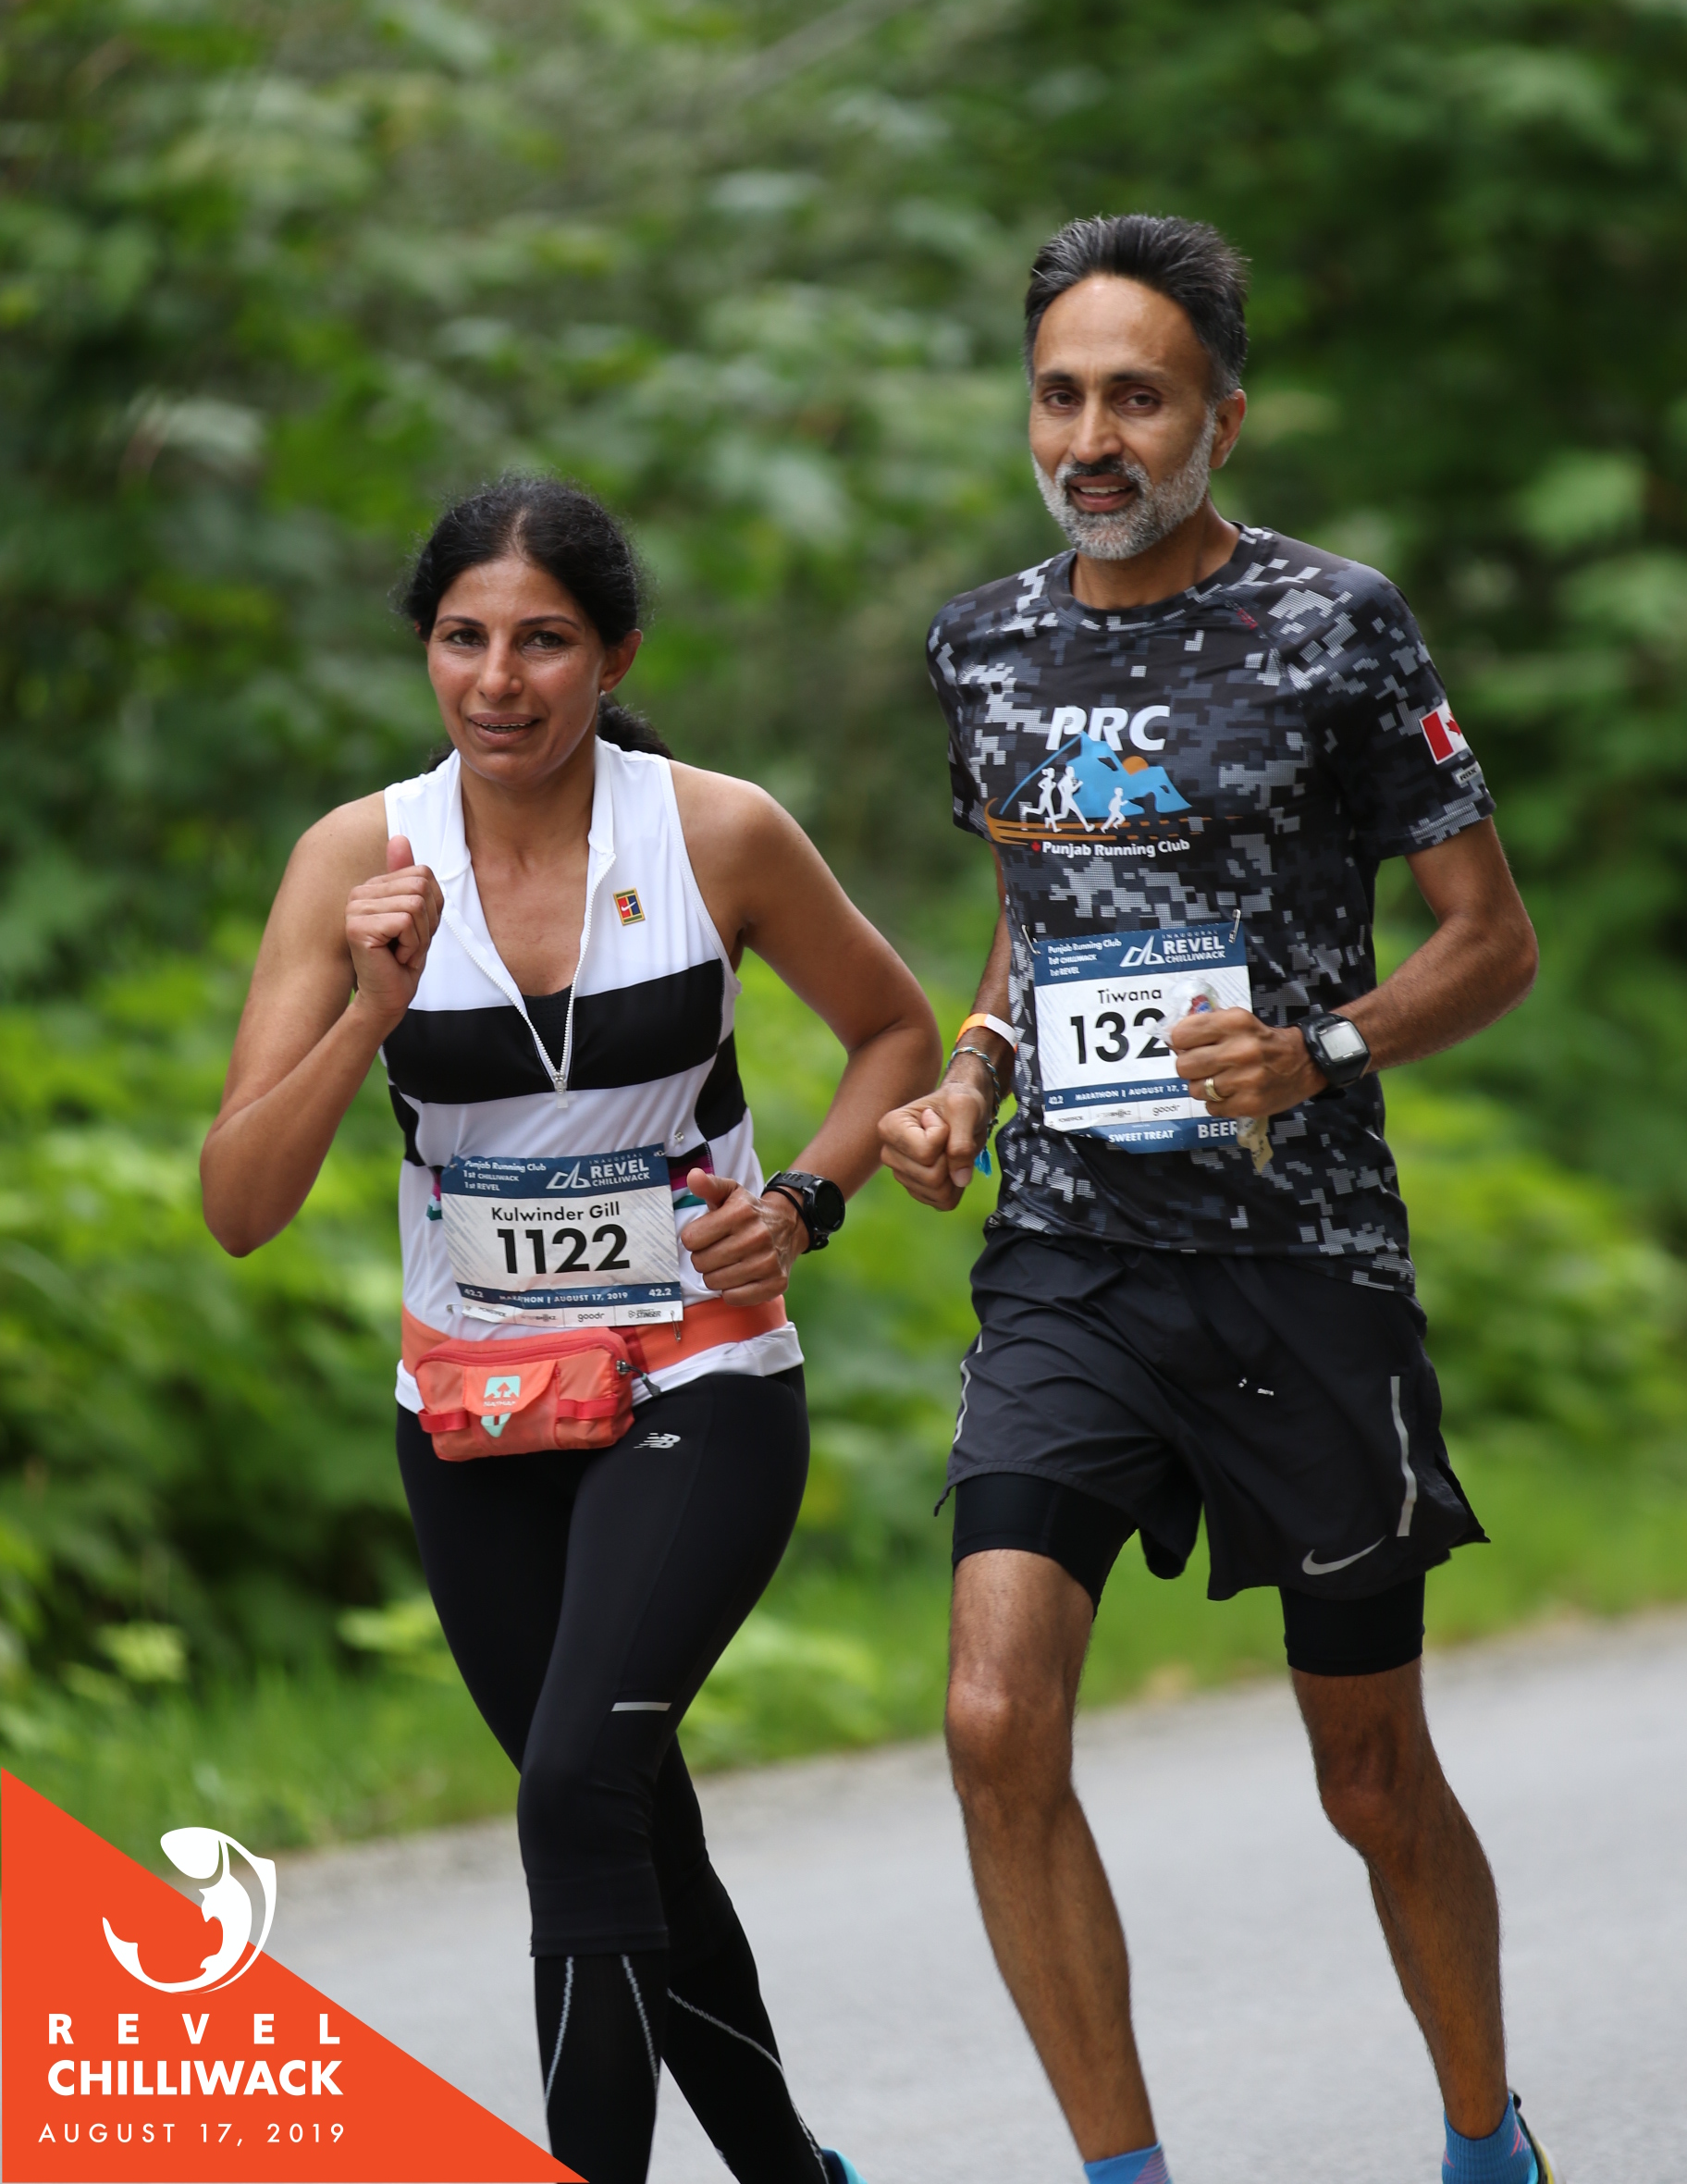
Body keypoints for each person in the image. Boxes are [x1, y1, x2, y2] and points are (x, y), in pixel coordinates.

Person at [880, 216, 1560, 2184]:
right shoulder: (982, 642)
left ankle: (1486, 2142)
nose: (1093, 439)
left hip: (1299, 1266)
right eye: (1061, 396)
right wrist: (972, 1072)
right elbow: (1031, 907)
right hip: (1070, 1260)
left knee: (1371, 1776)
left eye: (1139, 398)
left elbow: (1491, 941)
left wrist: (1320, 1049)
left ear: (1222, 420)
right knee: (994, 1722)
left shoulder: (1339, 626)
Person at [203, 475, 938, 2184]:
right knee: (630, 1828)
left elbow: (894, 1031)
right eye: (463, 639)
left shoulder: (716, 833)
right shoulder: (355, 861)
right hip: (474, 1415)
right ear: (425, 652)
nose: (498, 680)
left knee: (571, 1800)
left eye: (543, 642)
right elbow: (239, 1204)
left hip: (700, 1378)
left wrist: (803, 1205)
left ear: (614, 658)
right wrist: (370, 1011)